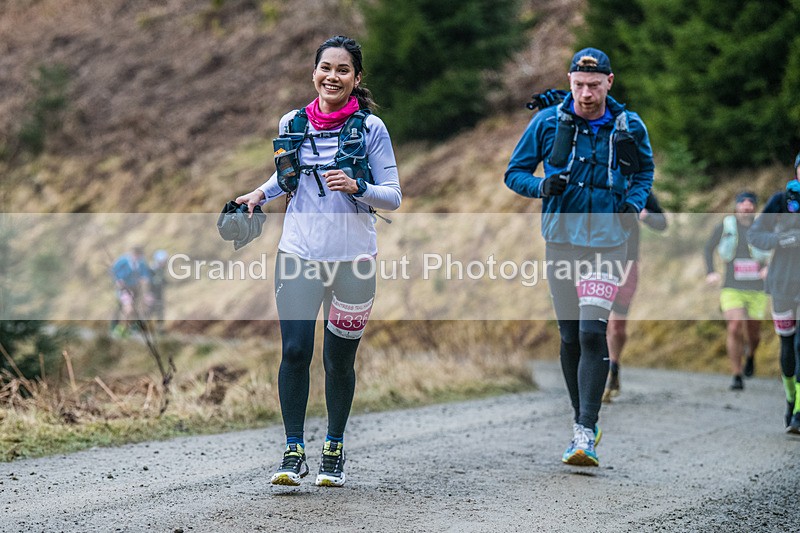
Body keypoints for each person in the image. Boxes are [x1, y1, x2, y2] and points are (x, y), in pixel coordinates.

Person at [235, 35, 401, 486]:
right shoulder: (292, 121)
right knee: (294, 351)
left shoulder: (371, 130)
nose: (333, 76)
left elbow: (394, 196)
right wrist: (258, 194)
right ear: (314, 73)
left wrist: (357, 187)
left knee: (338, 361)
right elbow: (284, 173)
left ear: (356, 78)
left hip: (354, 262)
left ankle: (334, 447)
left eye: (343, 70)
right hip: (299, 255)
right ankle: (293, 452)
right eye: (326, 68)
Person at [505, 48, 654, 466]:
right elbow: (513, 172)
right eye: (578, 85)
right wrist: (540, 188)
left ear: (610, 82)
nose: (586, 94)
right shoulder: (548, 122)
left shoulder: (629, 124)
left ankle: (585, 431)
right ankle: (580, 419)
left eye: (594, 85)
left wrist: (634, 202)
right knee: (570, 336)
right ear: (570, 81)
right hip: (562, 240)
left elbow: (644, 171)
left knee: (593, 332)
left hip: (609, 242)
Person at [748, 154, 800, 433]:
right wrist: (782, 239)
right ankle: (791, 400)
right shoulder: (780, 201)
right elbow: (755, 235)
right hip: (781, 283)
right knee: (788, 348)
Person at [603, 192, 667, 402]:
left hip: (628, 262)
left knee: (617, 327)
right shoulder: (597, 176)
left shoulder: (639, 188)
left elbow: (662, 222)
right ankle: (599, 370)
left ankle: (614, 364)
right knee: (597, 320)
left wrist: (645, 215)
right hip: (596, 259)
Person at [703, 192, 770, 390]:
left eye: (751, 205)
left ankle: (750, 355)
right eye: (743, 204)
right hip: (732, 287)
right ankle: (736, 374)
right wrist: (711, 272)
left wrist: (769, 267)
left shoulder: (763, 226)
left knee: (754, 333)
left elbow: (778, 247)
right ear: (736, 208)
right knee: (734, 327)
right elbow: (708, 248)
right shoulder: (725, 226)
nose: (746, 208)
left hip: (757, 288)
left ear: (755, 209)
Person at [110, 245, 152, 337]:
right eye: (136, 255)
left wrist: (144, 282)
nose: (137, 258)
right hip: (124, 288)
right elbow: (113, 271)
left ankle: (128, 328)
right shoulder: (123, 261)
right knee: (128, 309)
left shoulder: (141, 263)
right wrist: (118, 280)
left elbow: (146, 276)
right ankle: (119, 330)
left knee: (135, 310)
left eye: (139, 256)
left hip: (136, 289)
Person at [148, 249, 169, 333]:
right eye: (163, 261)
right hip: (152, 294)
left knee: (160, 312)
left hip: (159, 294)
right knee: (149, 311)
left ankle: (160, 329)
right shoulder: (152, 269)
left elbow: (162, 281)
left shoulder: (161, 269)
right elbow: (149, 282)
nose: (165, 263)